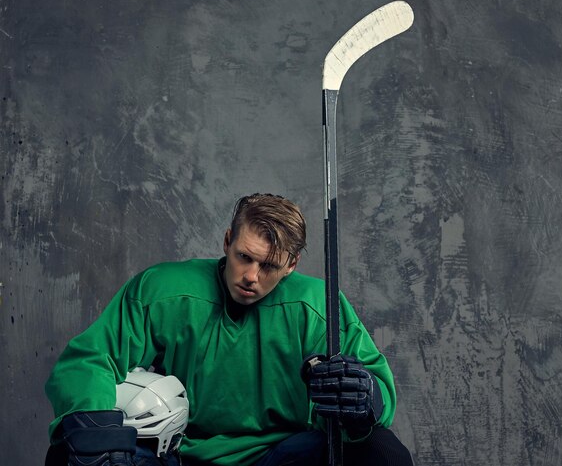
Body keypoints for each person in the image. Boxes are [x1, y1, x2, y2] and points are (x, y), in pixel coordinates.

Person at [45, 193, 413, 466]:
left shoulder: (318, 306)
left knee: (382, 452)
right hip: (177, 454)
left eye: (269, 265)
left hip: (281, 455)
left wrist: (366, 400)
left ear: (291, 264)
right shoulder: (162, 291)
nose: (252, 276)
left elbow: (379, 387)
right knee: (71, 450)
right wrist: (96, 432)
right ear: (227, 242)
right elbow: (90, 360)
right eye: (244, 257)